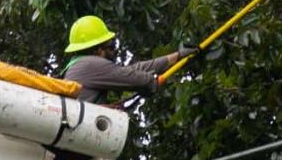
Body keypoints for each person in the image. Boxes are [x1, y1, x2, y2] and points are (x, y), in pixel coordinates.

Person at [62, 15, 195, 104]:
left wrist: (177, 56)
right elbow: (136, 78)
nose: (115, 51)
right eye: (111, 46)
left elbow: (129, 71)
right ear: (98, 50)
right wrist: (151, 82)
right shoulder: (92, 65)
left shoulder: (78, 65)